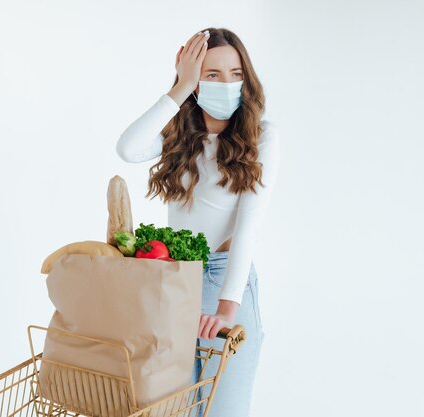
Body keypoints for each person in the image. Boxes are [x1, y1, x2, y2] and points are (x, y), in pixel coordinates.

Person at [115, 27, 280, 417]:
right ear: (194, 80)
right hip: (174, 279)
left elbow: (248, 228)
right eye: (212, 74)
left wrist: (227, 308)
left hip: (224, 282)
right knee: (172, 408)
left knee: (224, 409)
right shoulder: (180, 137)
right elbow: (127, 148)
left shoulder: (263, 138)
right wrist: (180, 88)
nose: (227, 84)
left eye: (236, 74)